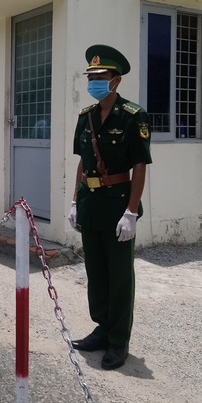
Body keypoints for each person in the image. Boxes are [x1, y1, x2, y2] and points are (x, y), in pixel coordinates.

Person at [68, 44, 152, 370]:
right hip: (90, 204)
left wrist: (131, 212)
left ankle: (118, 340)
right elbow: (82, 162)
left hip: (118, 204)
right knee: (96, 272)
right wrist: (75, 200)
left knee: (119, 276)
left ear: (115, 81)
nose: (94, 81)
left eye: (100, 76)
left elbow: (140, 165)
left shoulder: (133, 115)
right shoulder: (86, 116)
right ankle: (102, 328)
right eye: (91, 76)